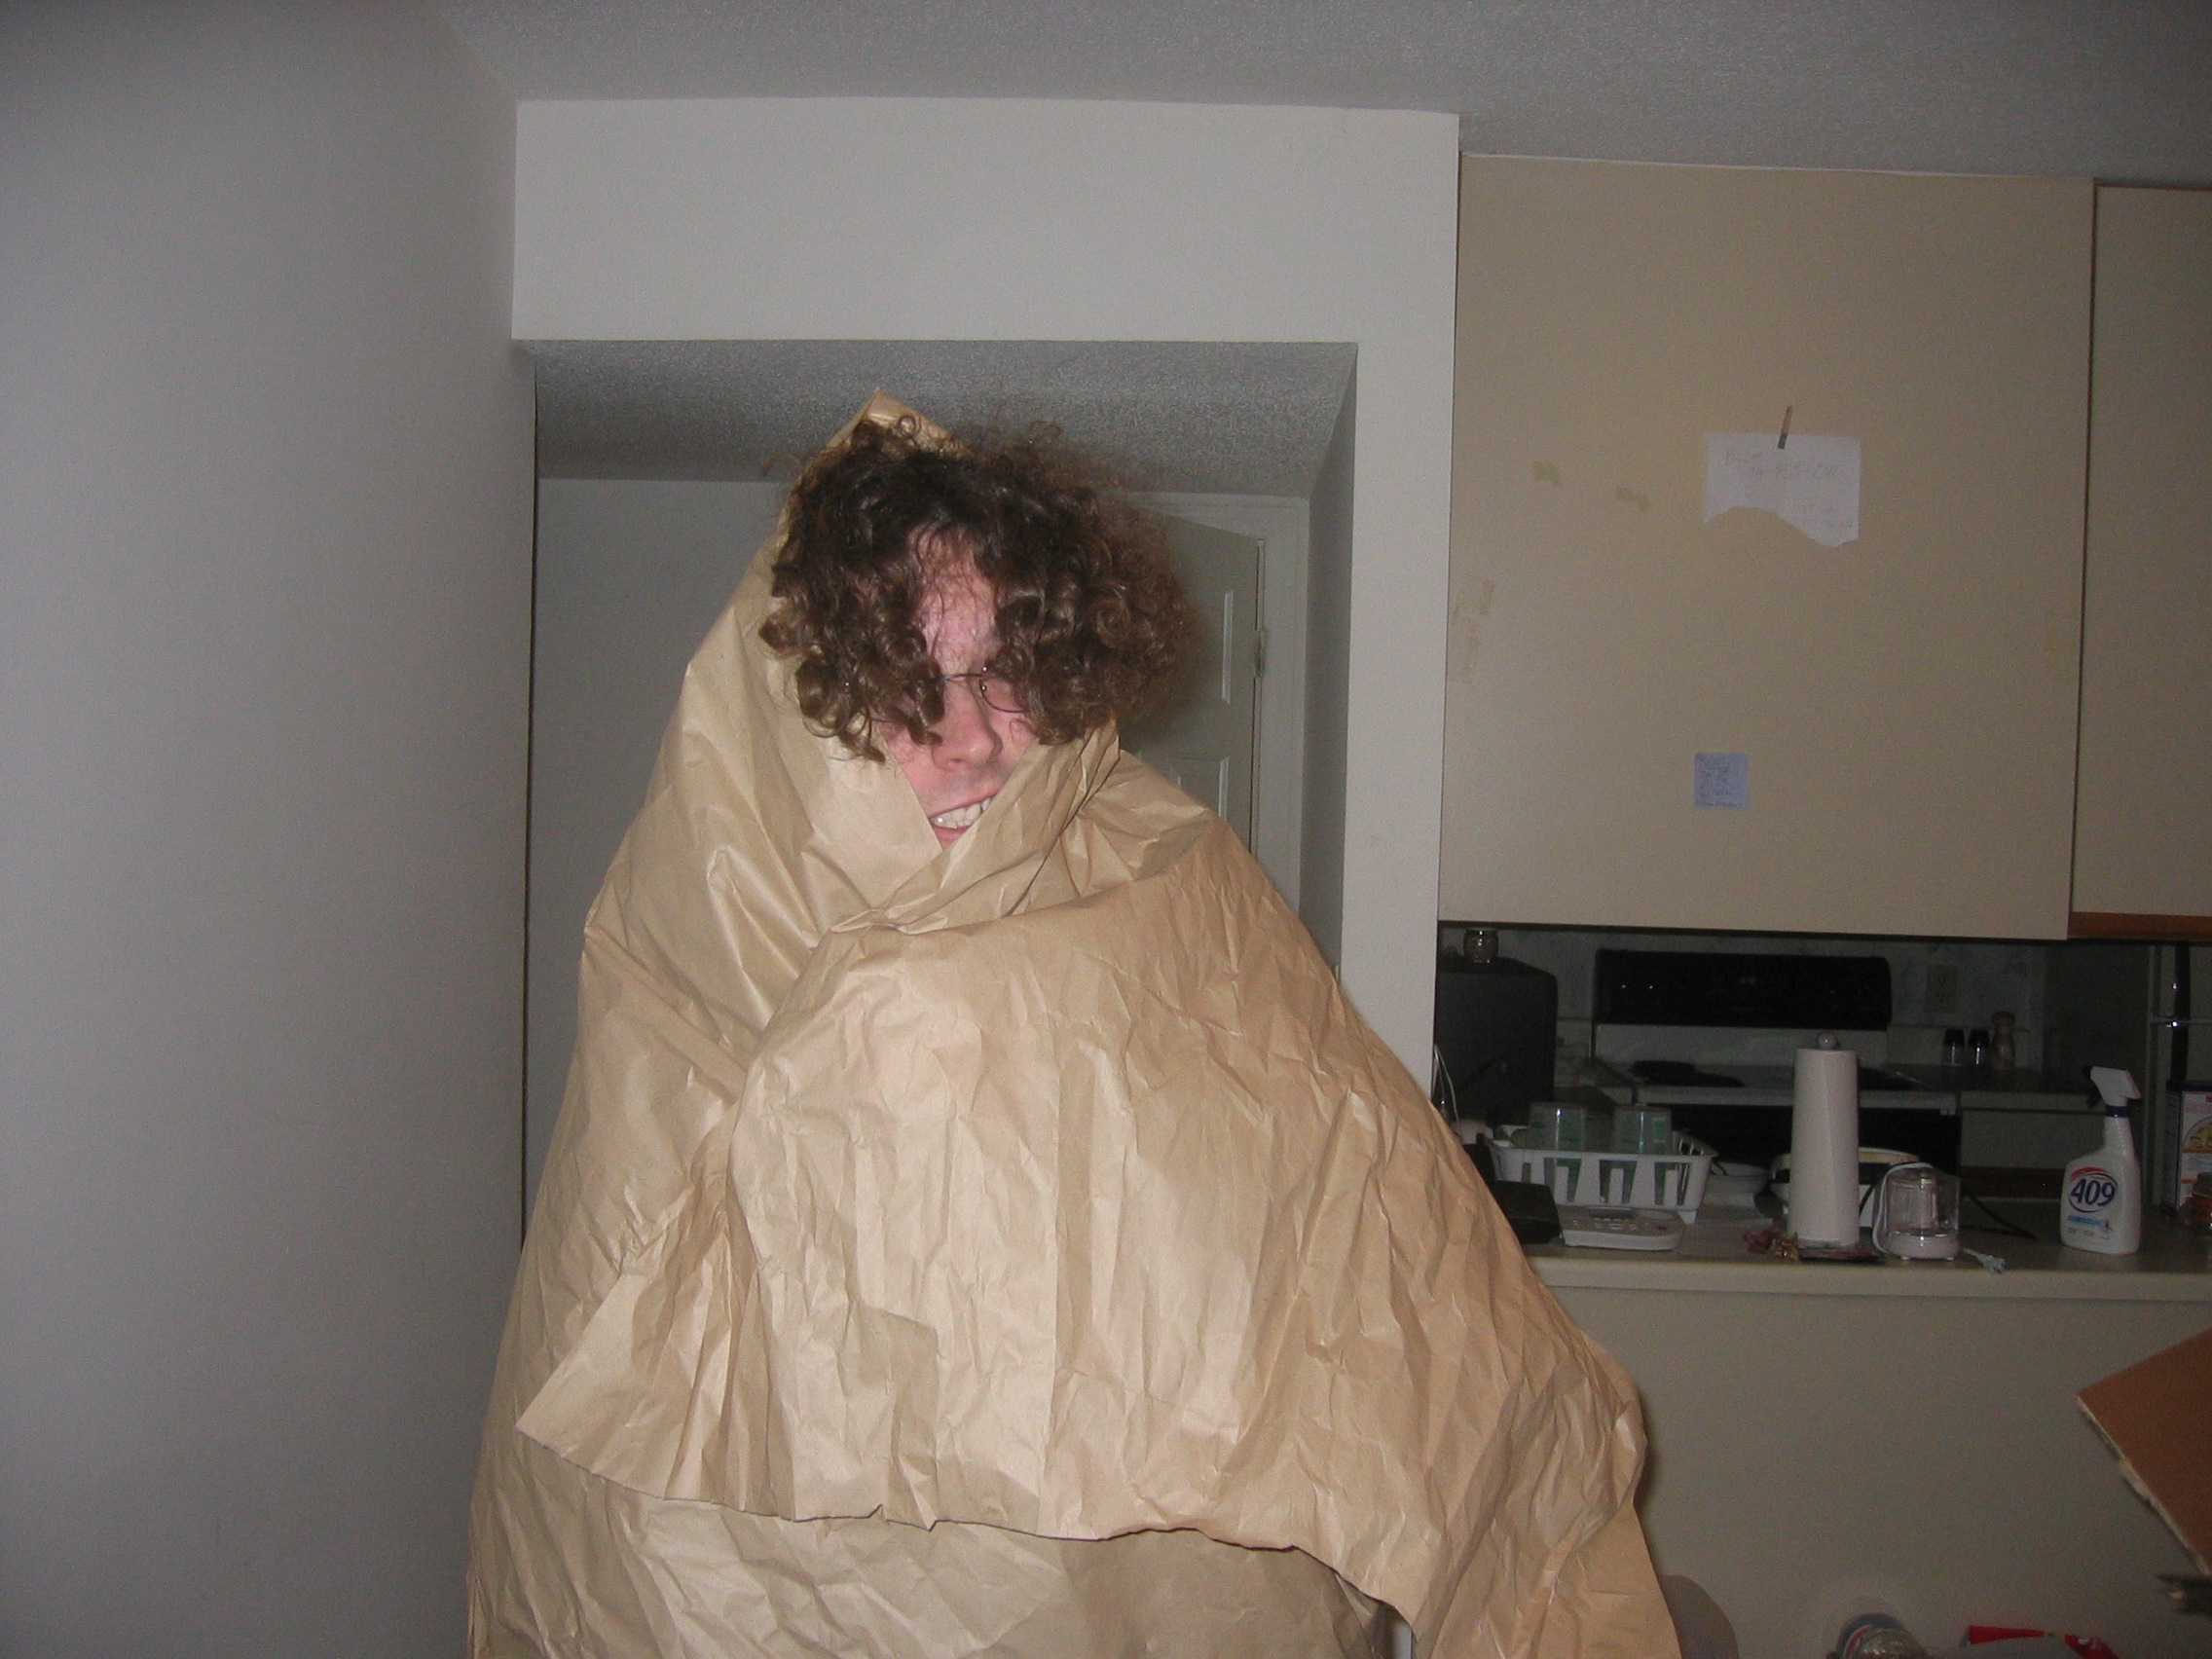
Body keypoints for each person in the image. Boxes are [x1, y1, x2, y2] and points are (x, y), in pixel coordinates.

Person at [470, 396, 1675, 1659]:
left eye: (1006, 677)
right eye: (906, 686)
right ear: (805, 696)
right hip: (737, 1588)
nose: (974, 743)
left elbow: (1353, 1187)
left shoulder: (1158, 873)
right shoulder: (702, 906)